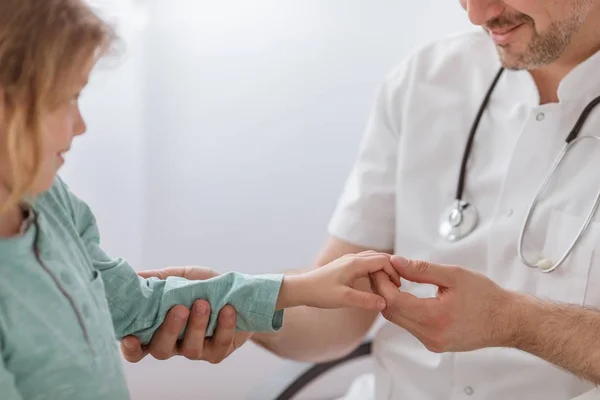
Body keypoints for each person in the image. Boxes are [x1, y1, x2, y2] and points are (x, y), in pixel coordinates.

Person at [121, 0, 600, 399]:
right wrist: (244, 301)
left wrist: (514, 322)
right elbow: (344, 306)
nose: (477, 14)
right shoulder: (428, 79)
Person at [0, 1, 405, 399]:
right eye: (67, 99)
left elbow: (136, 304)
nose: (81, 124)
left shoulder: (53, 205)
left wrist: (300, 289)